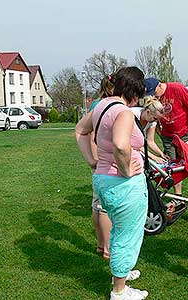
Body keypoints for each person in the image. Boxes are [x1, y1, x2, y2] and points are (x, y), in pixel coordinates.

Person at [76, 66, 149, 300]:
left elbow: (80, 130)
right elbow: (120, 144)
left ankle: (122, 274)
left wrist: (92, 161)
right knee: (127, 235)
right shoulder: (124, 113)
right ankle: (119, 291)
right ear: (135, 93)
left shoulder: (101, 107)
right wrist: (127, 169)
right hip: (122, 184)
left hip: (104, 179)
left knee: (119, 230)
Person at [144, 77, 188, 202]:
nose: (153, 96)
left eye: (154, 92)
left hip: (185, 132)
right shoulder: (155, 100)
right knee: (173, 165)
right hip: (168, 136)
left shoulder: (177, 88)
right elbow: (155, 120)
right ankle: (178, 196)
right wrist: (162, 134)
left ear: (159, 86)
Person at [89, 76, 114, 261]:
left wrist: (92, 159)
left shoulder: (96, 103)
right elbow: (90, 134)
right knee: (105, 207)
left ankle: (100, 245)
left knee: (97, 204)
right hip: (105, 161)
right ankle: (107, 248)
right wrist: (95, 159)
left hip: (98, 160)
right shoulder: (107, 105)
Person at [129, 96, 168, 163]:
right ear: (148, 112)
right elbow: (134, 144)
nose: (155, 121)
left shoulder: (152, 121)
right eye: (155, 118)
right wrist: (154, 157)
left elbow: (150, 141)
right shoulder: (131, 115)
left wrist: (161, 154)